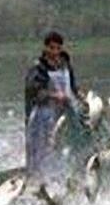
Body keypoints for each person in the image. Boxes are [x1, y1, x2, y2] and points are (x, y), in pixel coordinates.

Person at [24, 31, 83, 179]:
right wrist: (55, 96)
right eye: (52, 48)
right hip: (44, 118)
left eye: (58, 48)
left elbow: (73, 87)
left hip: (66, 114)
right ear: (45, 48)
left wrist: (81, 97)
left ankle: (68, 177)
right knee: (43, 151)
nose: (55, 52)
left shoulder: (65, 65)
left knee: (66, 147)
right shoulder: (38, 69)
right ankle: (40, 180)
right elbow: (35, 93)